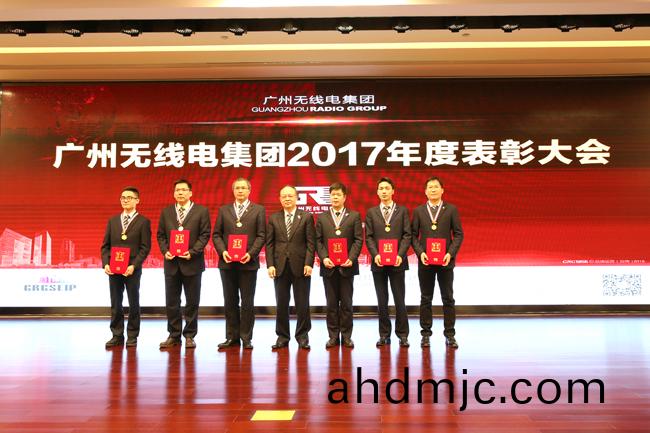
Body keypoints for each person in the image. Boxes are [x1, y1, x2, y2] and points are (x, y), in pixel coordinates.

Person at [156, 179, 211, 349]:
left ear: (190, 193)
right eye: (177, 190)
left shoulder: (201, 211)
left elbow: (205, 235)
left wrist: (192, 252)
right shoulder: (166, 212)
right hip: (172, 263)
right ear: (174, 193)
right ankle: (174, 335)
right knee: (172, 302)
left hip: (192, 263)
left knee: (192, 301)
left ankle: (189, 335)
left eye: (183, 190)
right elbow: (160, 235)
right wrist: (165, 251)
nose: (180, 192)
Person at [213, 178, 266, 350]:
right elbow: (216, 235)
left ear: (249, 190)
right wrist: (223, 252)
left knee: (247, 302)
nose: (240, 190)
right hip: (227, 263)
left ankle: (246, 337)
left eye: (243, 188)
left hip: (248, 263)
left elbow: (261, 235)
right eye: (237, 188)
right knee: (230, 301)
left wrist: (250, 254)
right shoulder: (224, 210)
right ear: (233, 190)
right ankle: (232, 337)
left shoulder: (258, 210)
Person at [411, 176, 464, 349]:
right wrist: (421, 253)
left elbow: (458, 234)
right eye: (430, 187)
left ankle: (450, 334)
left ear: (442, 190)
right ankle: (425, 335)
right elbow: (413, 235)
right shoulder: (419, 211)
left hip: (445, 262)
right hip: (426, 262)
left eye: (436, 187)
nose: (433, 189)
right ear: (425, 191)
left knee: (448, 298)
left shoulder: (451, 210)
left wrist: (450, 253)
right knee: (425, 298)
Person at [266, 185, 315, 350]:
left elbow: (311, 243)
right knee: (281, 303)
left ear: (296, 198)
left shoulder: (306, 216)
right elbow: (269, 244)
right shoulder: (274, 218)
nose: (287, 199)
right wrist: (270, 265)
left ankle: (302, 336)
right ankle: (282, 336)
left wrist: (309, 263)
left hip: (301, 266)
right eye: (284, 196)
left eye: (290, 196)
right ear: (280, 199)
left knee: (302, 303)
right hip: (280, 266)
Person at [101, 187, 151, 348]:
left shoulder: (143, 222)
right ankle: (117, 335)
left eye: (129, 197)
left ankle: (132, 335)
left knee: (133, 302)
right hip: (114, 268)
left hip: (132, 269)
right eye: (123, 197)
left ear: (137, 200)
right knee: (116, 302)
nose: (125, 200)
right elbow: (105, 246)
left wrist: (134, 265)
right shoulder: (113, 221)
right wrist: (106, 263)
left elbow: (145, 247)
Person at [365, 177, 412, 348]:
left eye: (387, 188)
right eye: (381, 188)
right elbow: (369, 237)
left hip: (398, 262)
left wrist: (400, 254)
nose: (384, 191)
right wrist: (375, 254)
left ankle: (403, 335)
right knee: (382, 300)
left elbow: (407, 234)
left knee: (400, 299)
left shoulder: (402, 211)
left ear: (393, 191)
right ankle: (384, 334)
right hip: (378, 262)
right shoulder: (371, 212)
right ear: (377, 192)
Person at [316, 182, 363, 349]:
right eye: (332, 195)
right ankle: (333, 336)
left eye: (338, 195)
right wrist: (324, 258)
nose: (335, 197)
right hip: (328, 267)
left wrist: (351, 257)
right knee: (331, 305)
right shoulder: (322, 217)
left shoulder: (354, 216)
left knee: (347, 304)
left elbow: (358, 239)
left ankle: (347, 336)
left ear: (344, 197)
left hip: (347, 266)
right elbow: (318, 241)